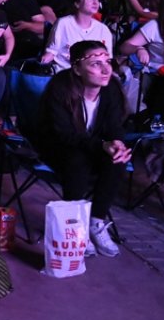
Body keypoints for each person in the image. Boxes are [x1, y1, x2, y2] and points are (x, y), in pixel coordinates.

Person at [28, 40, 128, 257]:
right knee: (77, 161)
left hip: (92, 145)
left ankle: (96, 221)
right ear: (76, 68)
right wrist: (102, 145)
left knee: (117, 160)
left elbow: (114, 125)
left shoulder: (110, 88)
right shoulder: (60, 88)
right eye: (95, 64)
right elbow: (63, 135)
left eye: (107, 61)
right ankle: (75, 225)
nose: (105, 69)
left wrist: (117, 143)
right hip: (57, 146)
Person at [41, 0, 113, 72]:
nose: (95, 2)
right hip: (64, 73)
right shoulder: (63, 23)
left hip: (92, 76)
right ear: (77, 3)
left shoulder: (103, 30)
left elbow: (107, 60)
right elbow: (51, 52)